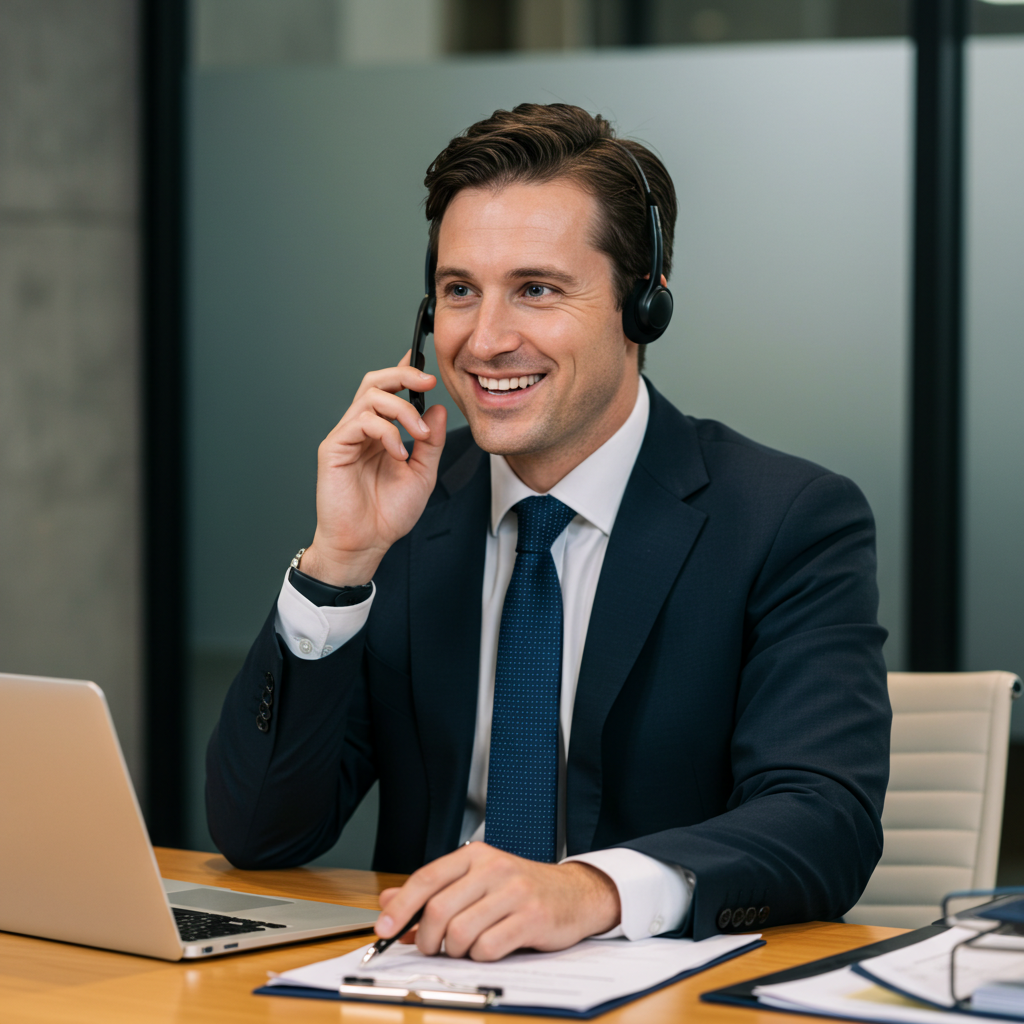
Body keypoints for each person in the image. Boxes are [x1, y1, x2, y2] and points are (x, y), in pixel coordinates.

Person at [206, 103, 891, 962]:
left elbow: (823, 820)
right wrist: (339, 563)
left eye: (536, 289)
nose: (486, 341)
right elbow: (262, 833)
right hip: (427, 989)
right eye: (460, 292)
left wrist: (590, 889)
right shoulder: (409, 509)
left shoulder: (786, 520)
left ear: (644, 306)